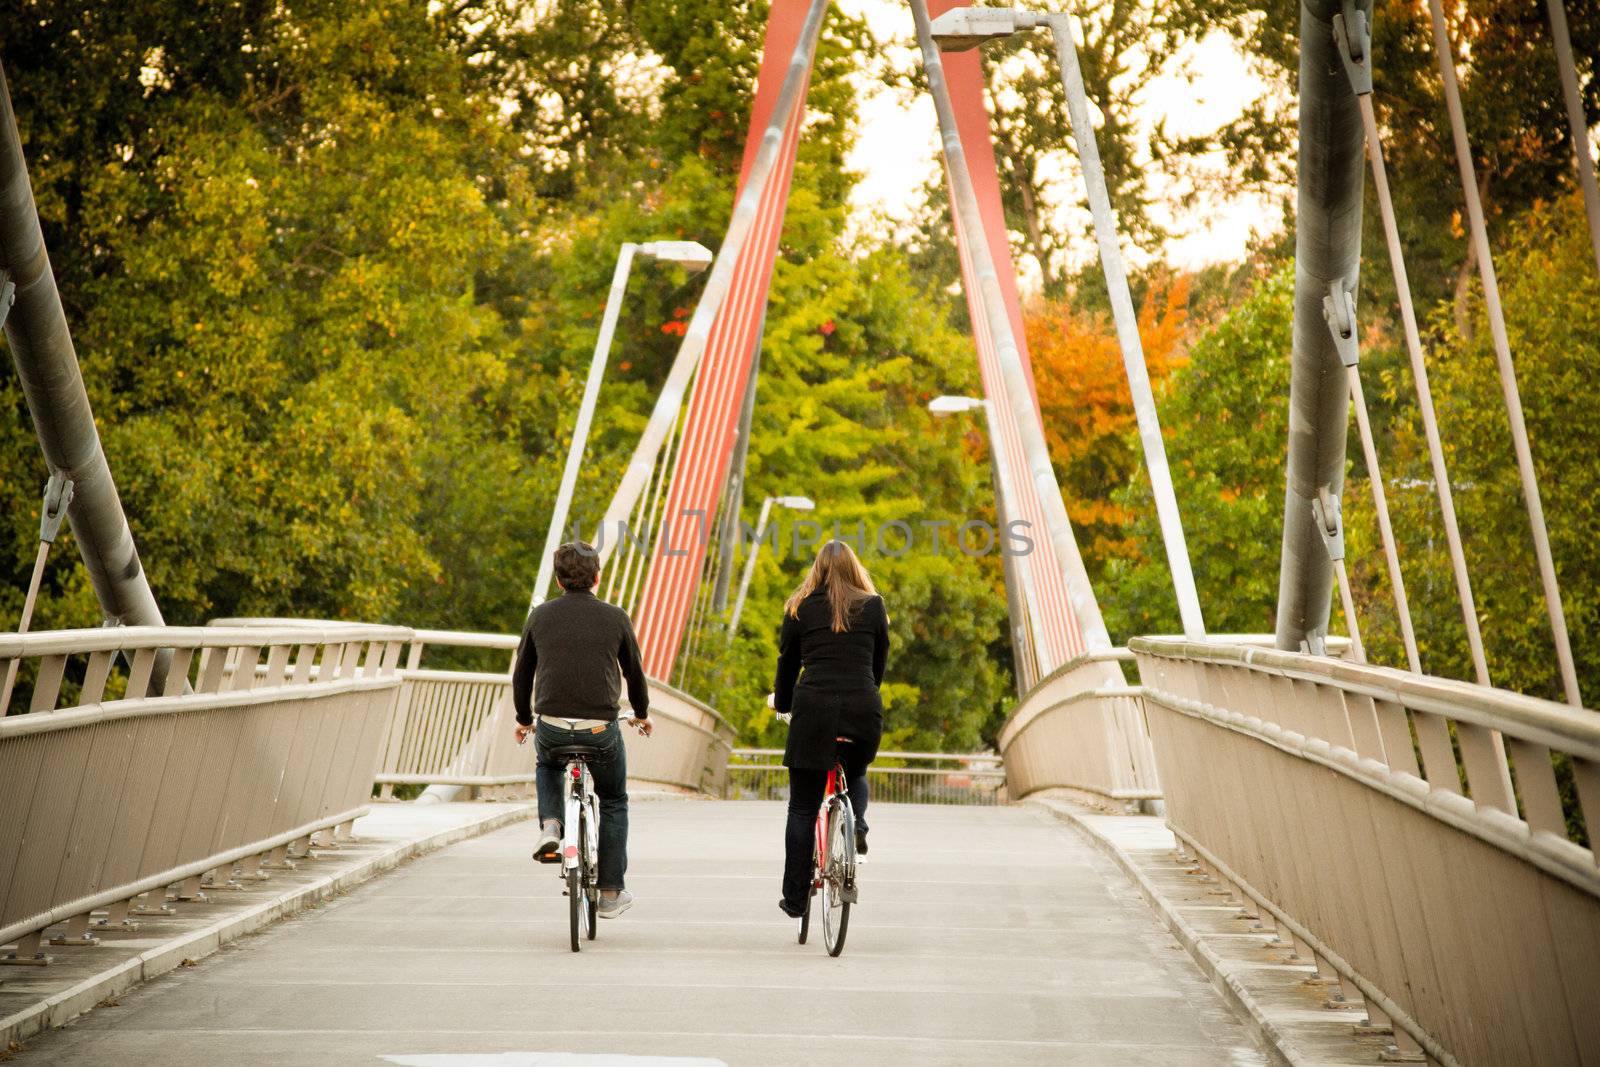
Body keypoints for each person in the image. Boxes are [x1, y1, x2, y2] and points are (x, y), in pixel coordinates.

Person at [512, 541, 652, 918]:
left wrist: (524, 719)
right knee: (613, 800)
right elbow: (634, 674)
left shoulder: (539, 617)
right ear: (597, 577)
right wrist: (641, 713)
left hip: (553, 726)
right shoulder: (616, 617)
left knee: (547, 764)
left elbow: (522, 674)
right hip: (599, 731)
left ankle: (552, 826)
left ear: (559, 579)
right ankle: (609, 893)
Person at [771, 539, 889, 919]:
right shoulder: (874, 607)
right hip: (862, 708)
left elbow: (787, 666)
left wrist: (784, 704)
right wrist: (866, 694)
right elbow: (878, 664)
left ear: (817, 570)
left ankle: (795, 897)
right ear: (856, 569)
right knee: (855, 770)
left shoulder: (800, 608)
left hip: (814, 712)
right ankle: (859, 827)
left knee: (803, 807)